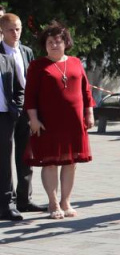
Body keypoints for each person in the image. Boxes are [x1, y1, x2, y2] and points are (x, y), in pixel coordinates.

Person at [25, 22, 94, 219]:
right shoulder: (37, 65)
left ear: (65, 43)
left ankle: (66, 201)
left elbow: (86, 90)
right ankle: (53, 202)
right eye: (49, 42)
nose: (54, 45)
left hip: (73, 122)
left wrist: (89, 113)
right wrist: (33, 119)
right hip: (48, 123)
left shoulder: (75, 62)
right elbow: (30, 95)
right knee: (50, 163)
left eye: (58, 41)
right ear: (44, 45)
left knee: (71, 162)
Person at [1, 13, 42, 214]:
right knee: (4, 157)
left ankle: (25, 199)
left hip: (26, 110)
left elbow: (32, 82)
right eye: (10, 29)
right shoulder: (1, 52)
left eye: (18, 29)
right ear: (2, 30)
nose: (15, 33)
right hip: (5, 112)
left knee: (26, 155)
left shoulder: (26, 51)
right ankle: (7, 202)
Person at [0, 50, 24, 220]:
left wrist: (18, 108)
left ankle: (7, 204)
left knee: (4, 161)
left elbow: (19, 89)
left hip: (4, 117)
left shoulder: (7, 60)